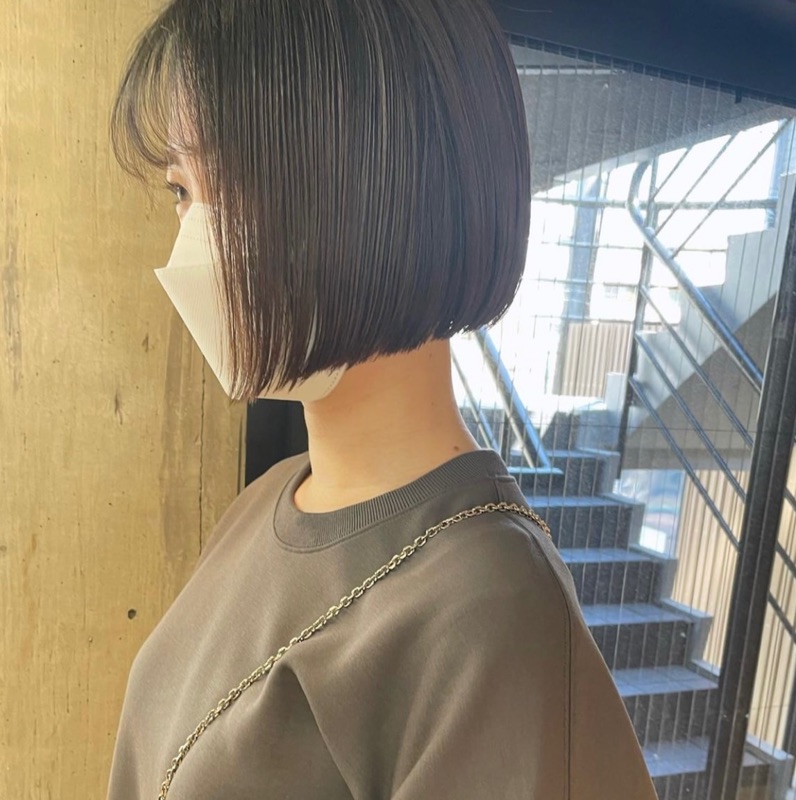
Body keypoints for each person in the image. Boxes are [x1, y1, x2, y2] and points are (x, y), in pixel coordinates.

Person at [106, 1, 659, 798]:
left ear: (366, 191)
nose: (188, 242)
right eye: (179, 192)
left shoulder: (490, 616)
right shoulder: (269, 501)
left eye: (217, 188)